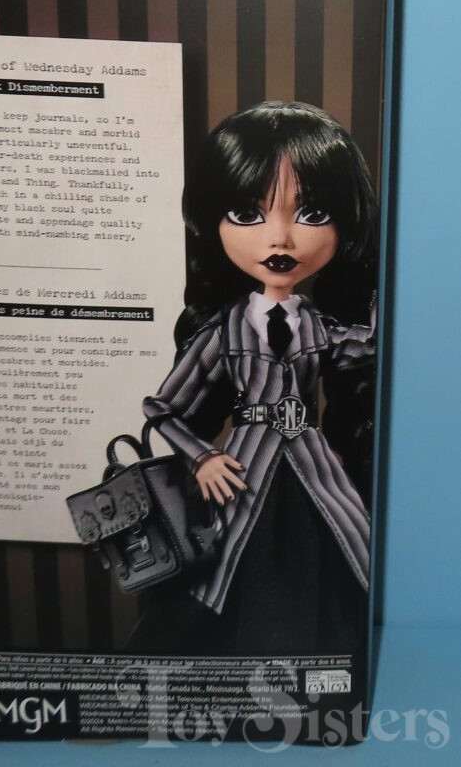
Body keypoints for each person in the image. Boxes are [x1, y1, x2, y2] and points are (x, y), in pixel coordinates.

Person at [127, 101, 378, 657]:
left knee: (342, 553)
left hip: (313, 464)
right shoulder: (223, 332)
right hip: (242, 470)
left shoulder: (317, 325)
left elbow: (362, 348)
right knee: (229, 573)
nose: (280, 239)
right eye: (248, 214)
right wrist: (202, 458)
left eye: (312, 214)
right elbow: (162, 408)